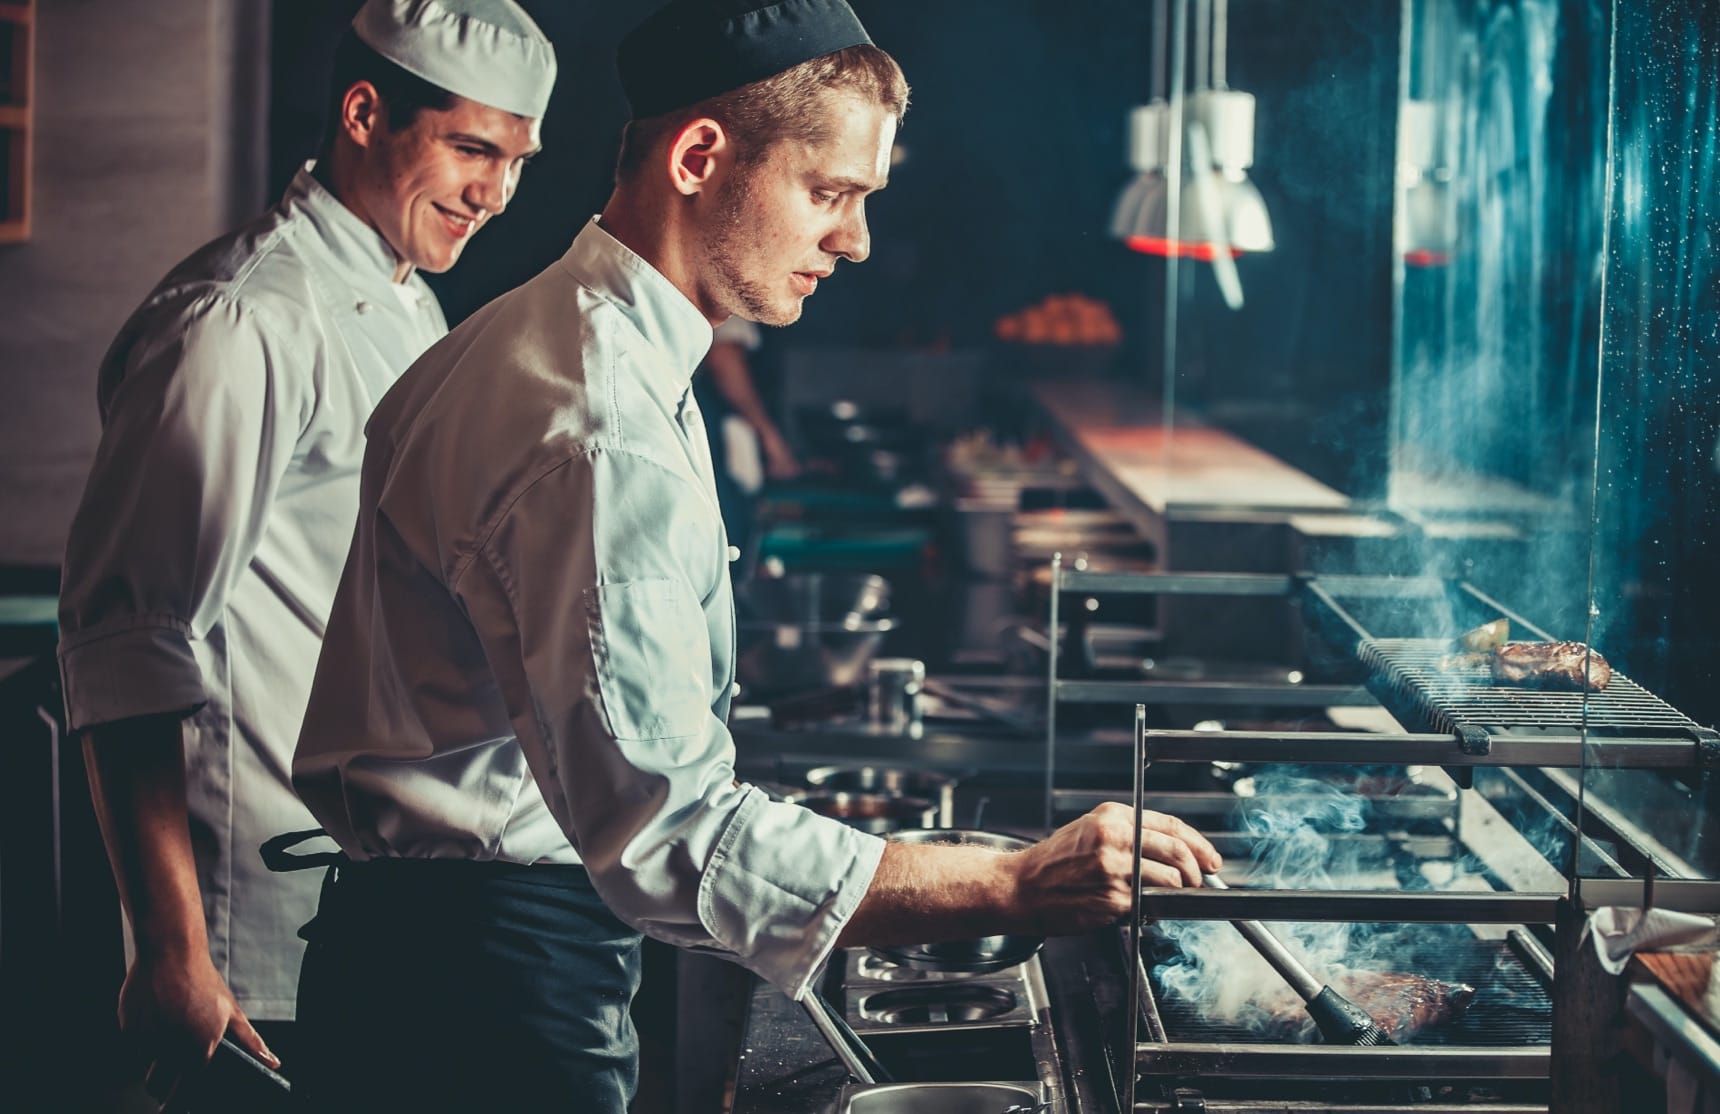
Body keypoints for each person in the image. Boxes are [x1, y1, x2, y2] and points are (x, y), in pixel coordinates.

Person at [290, 0, 1221, 1109]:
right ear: (698, 157)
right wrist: (1013, 881)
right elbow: (672, 839)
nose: (856, 239)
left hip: (436, 957)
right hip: (479, 996)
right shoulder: (597, 426)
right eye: (829, 193)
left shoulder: (544, 335)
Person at [54, 0, 554, 1101]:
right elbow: (126, 638)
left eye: (515, 160)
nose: (495, 192)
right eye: (472, 149)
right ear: (365, 113)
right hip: (249, 933)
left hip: (373, 912)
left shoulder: (407, 304)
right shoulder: (243, 319)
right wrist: (171, 947)